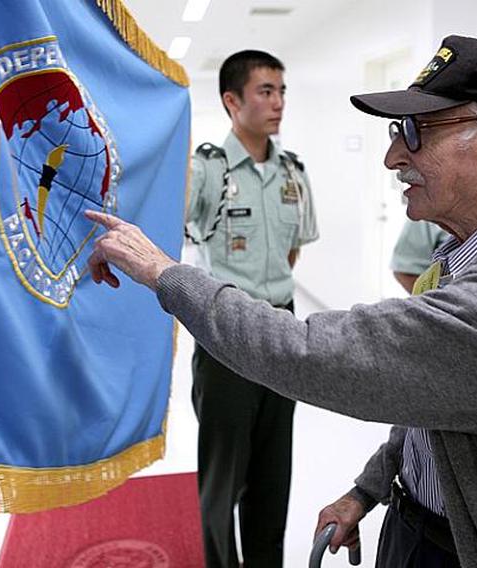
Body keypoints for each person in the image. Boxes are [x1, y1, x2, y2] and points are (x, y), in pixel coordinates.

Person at [84, 35, 477, 568]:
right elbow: (435, 395)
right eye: (396, 131)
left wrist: (163, 274)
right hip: (418, 523)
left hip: (470, 551)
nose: (393, 156)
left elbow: (310, 351)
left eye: (416, 132)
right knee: (224, 480)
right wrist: (368, 490)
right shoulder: (467, 249)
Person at [181, 49, 318, 568]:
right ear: (231, 101)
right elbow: (173, 222)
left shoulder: (292, 172)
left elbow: (292, 249)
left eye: (281, 91)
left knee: (271, 472)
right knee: (223, 475)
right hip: (225, 332)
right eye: (266, 91)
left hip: (282, 327)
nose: (278, 102)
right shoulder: (206, 170)